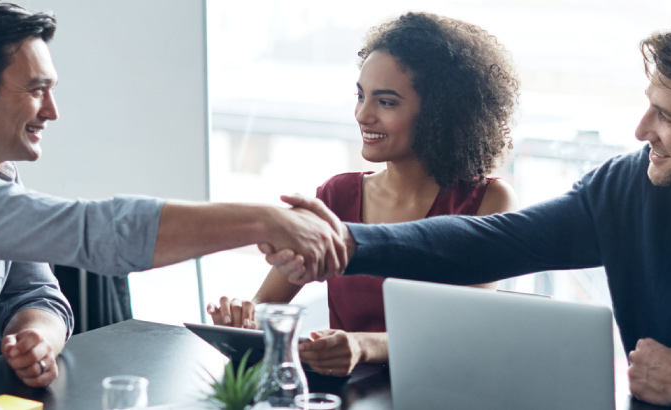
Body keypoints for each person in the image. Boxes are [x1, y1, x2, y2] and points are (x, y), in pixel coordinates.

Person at [267, 9, 671, 410]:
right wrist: (343, 238)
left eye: (666, 116)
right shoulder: (629, 187)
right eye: (649, 106)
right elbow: (489, 241)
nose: (642, 130)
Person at [0, 0, 345, 387]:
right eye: (36, 90)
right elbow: (94, 232)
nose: (52, 112)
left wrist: (37, 336)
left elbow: (38, 295)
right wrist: (261, 221)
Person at [206, 12, 518, 377]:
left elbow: (464, 328)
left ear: (440, 114)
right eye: (361, 96)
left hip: (440, 391)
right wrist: (244, 320)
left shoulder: (488, 201)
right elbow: (266, 305)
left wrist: (363, 345)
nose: (362, 114)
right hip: (344, 394)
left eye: (386, 102)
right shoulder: (336, 196)